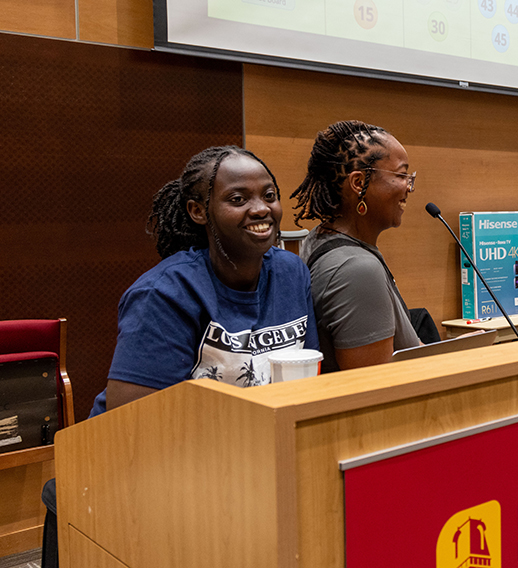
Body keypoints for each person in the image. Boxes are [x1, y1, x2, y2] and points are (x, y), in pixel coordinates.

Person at [42, 146, 318, 568]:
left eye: (269, 194)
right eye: (238, 199)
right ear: (198, 211)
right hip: (123, 475)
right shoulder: (166, 293)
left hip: (241, 465)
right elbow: (131, 428)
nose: (261, 209)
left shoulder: (292, 273)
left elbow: (309, 377)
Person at [291, 120, 420, 372]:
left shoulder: (320, 237)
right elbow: (375, 387)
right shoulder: (356, 269)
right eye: (401, 175)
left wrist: (453, 354)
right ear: (359, 183)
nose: (408, 187)